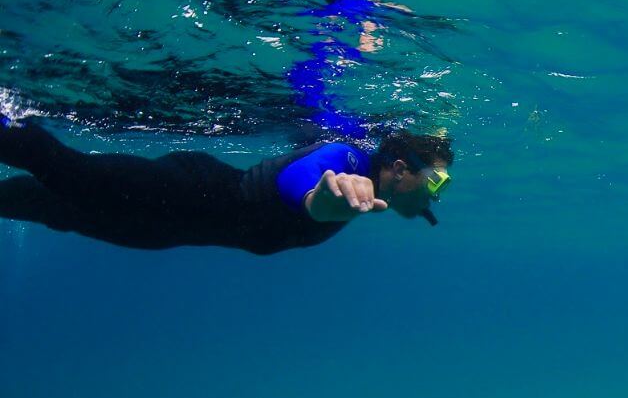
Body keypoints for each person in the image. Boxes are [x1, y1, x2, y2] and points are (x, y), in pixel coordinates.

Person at [0, 116, 453, 255]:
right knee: (71, 175)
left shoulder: (363, 188)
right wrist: (320, 200)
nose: (436, 195)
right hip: (186, 190)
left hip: (172, 227)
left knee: (50, 208)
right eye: (437, 181)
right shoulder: (348, 161)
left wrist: (327, 206)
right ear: (400, 168)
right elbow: (300, 180)